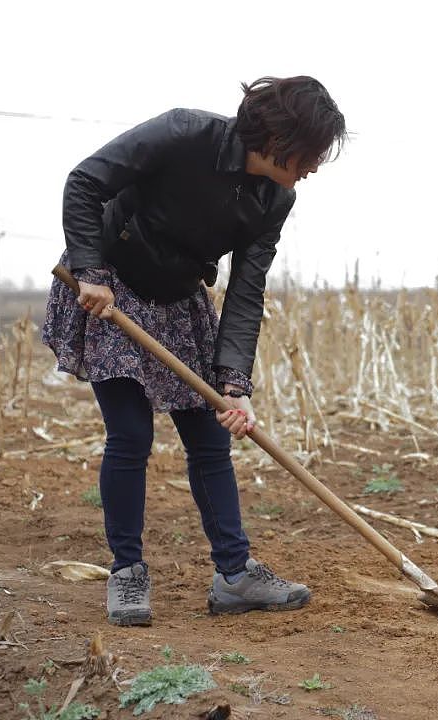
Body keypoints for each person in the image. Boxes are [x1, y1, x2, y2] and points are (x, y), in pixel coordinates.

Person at [42, 76, 347, 626]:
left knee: (210, 439)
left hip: (180, 299)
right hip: (110, 288)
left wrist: (233, 383)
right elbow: (85, 182)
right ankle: (127, 574)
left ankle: (234, 576)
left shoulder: (276, 196)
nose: (315, 167)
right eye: (311, 152)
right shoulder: (184, 134)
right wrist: (89, 269)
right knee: (131, 435)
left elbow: (247, 289)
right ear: (282, 135)